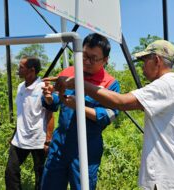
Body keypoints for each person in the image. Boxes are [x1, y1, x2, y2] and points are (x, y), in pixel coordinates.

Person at [50, 40, 174, 189]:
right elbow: (55, 102)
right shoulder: (172, 85)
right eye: (85, 56)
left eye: (144, 61)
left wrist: (80, 84)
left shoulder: (165, 85)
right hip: (167, 171)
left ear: (156, 60)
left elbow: (121, 103)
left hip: (164, 177)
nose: (142, 67)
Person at [41, 33, 120, 190]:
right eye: (84, 55)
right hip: (60, 144)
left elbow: (109, 116)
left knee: (83, 186)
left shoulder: (110, 83)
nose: (87, 61)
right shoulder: (68, 73)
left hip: (87, 148)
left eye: (93, 58)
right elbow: (56, 102)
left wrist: (80, 107)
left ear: (105, 60)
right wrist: (49, 97)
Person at [5, 56, 54, 190]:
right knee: (10, 171)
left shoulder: (43, 88)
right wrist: (15, 133)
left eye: (21, 67)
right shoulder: (20, 87)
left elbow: (50, 115)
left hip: (38, 139)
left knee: (40, 174)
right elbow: (22, 114)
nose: (18, 70)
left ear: (31, 71)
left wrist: (48, 140)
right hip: (20, 139)